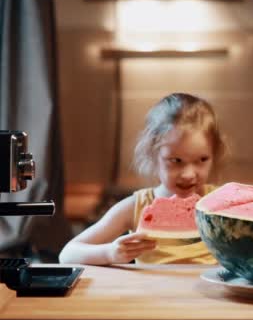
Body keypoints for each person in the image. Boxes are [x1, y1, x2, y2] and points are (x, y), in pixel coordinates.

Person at [59, 93, 226, 265]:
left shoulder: (222, 204)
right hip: (151, 292)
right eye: (176, 161)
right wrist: (109, 253)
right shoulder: (136, 207)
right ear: (153, 155)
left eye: (202, 160)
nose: (189, 174)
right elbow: (67, 254)